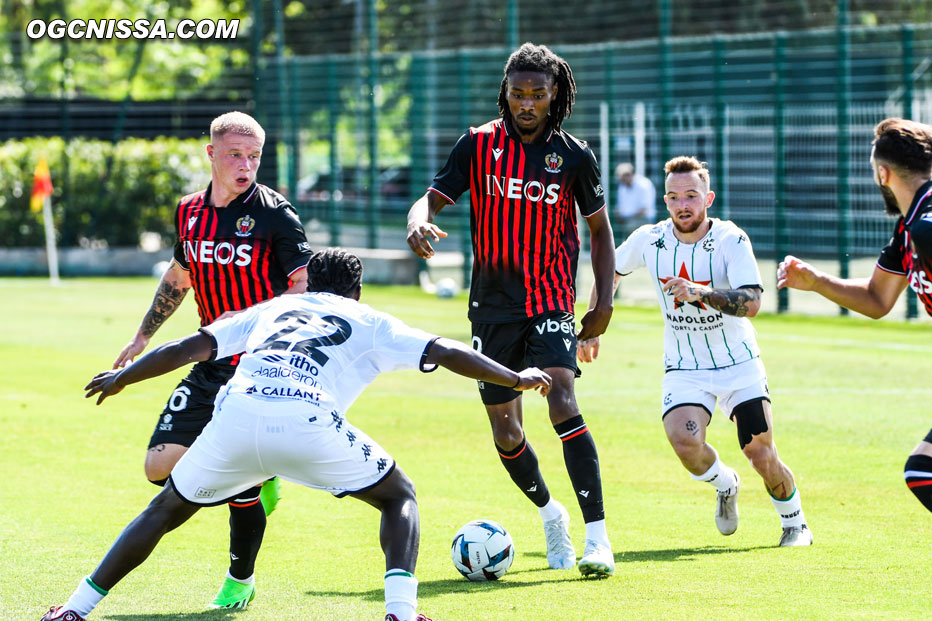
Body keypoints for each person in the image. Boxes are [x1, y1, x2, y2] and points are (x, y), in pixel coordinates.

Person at [41, 248, 552, 621]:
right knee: (399, 497)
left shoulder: (275, 307)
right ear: (356, 291)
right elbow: (447, 352)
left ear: (308, 285)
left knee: (165, 511)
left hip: (236, 419)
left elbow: (189, 347)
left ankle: (75, 610)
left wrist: (122, 377)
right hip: (307, 424)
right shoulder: (370, 318)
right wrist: (514, 377)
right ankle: (400, 613)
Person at [406, 42, 616, 577]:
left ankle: (599, 538)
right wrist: (417, 221)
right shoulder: (476, 145)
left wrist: (604, 302)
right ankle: (551, 514)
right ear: (506, 92)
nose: (527, 103)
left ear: (555, 95)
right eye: (518, 93)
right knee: (507, 431)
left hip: (550, 298)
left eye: (538, 95)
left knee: (562, 397)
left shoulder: (573, 155)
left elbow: (599, 231)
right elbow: (431, 197)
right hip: (492, 306)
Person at [110, 111, 313, 608]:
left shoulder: (275, 214)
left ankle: (239, 581)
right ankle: (259, 475)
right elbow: (180, 277)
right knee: (159, 468)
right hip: (210, 360)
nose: (246, 166)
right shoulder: (190, 212)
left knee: (233, 477)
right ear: (211, 155)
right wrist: (141, 337)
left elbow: (303, 286)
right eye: (235, 155)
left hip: (260, 367)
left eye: (254, 156)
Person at [580, 155, 813, 547]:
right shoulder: (649, 239)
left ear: (709, 198)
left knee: (760, 453)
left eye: (691, 195)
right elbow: (609, 272)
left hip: (738, 364)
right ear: (665, 201)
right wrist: (594, 325)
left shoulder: (730, 239)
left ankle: (795, 524)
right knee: (684, 443)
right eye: (674, 197)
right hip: (685, 367)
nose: (682, 205)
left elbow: (753, 302)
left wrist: (702, 292)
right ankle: (726, 484)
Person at [777, 117, 932, 515]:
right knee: (923, 472)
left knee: (924, 472)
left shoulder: (926, 223)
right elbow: (878, 298)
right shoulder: (909, 227)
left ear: (883, 173)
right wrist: (816, 282)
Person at [613, 162, 656, 241]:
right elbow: (620, 207)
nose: (622, 180)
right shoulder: (623, 186)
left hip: (644, 219)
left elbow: (643, 210)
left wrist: (627, 218)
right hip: (627, 220)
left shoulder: (644, 184)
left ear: (630, 174)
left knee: (629, 227)